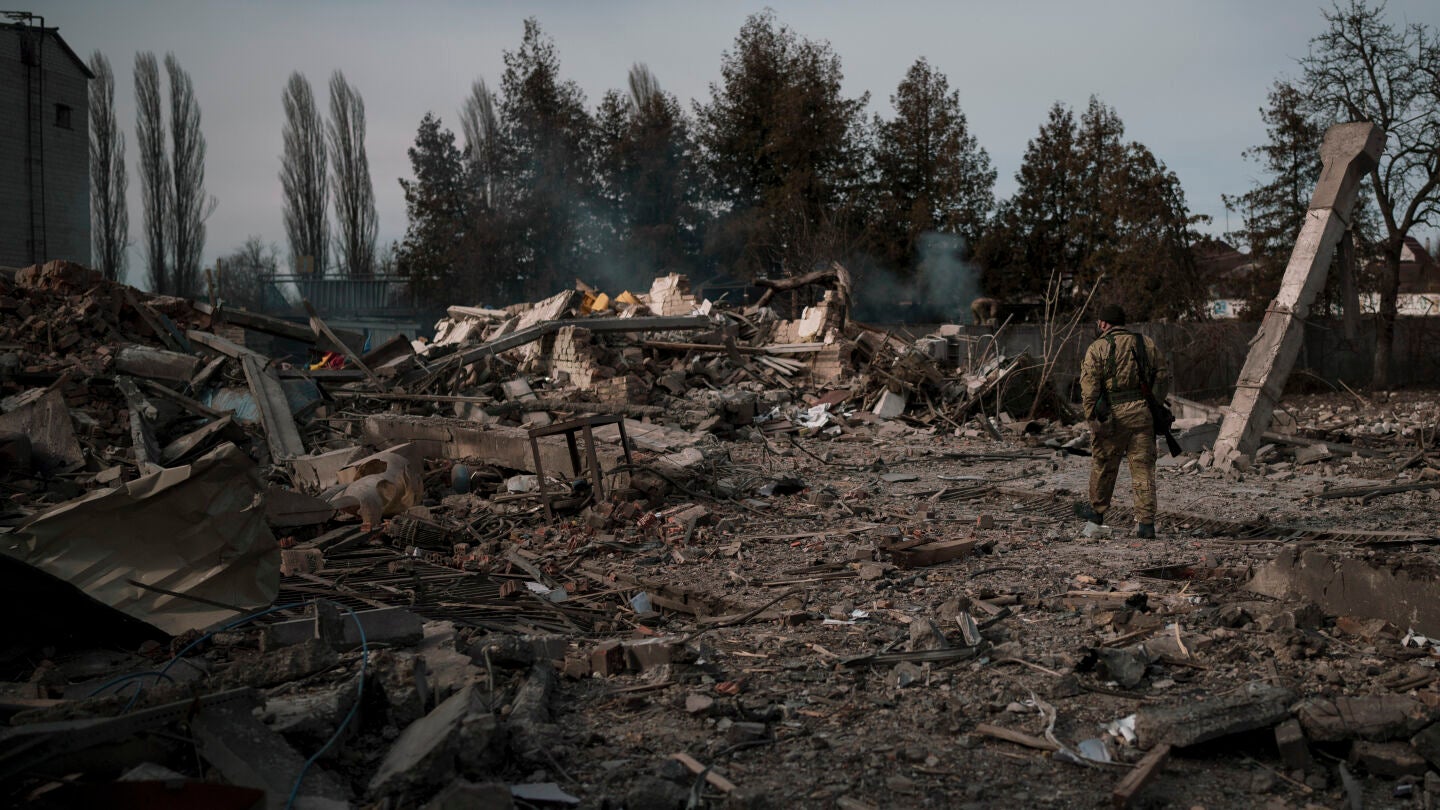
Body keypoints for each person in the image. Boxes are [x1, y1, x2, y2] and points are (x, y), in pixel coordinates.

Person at [1075, 304, 1169, 538]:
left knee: (1104, 465)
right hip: (1142, 414)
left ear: (1103, 323)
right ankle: (1146, 524)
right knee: (1143, 469)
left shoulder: (1098, 347)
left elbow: (1089, 389)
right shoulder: (1146, 343)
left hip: (1112, 416)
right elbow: (1163, 376)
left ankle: (1097, 513)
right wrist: (1154, 403)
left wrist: (1092, 418)